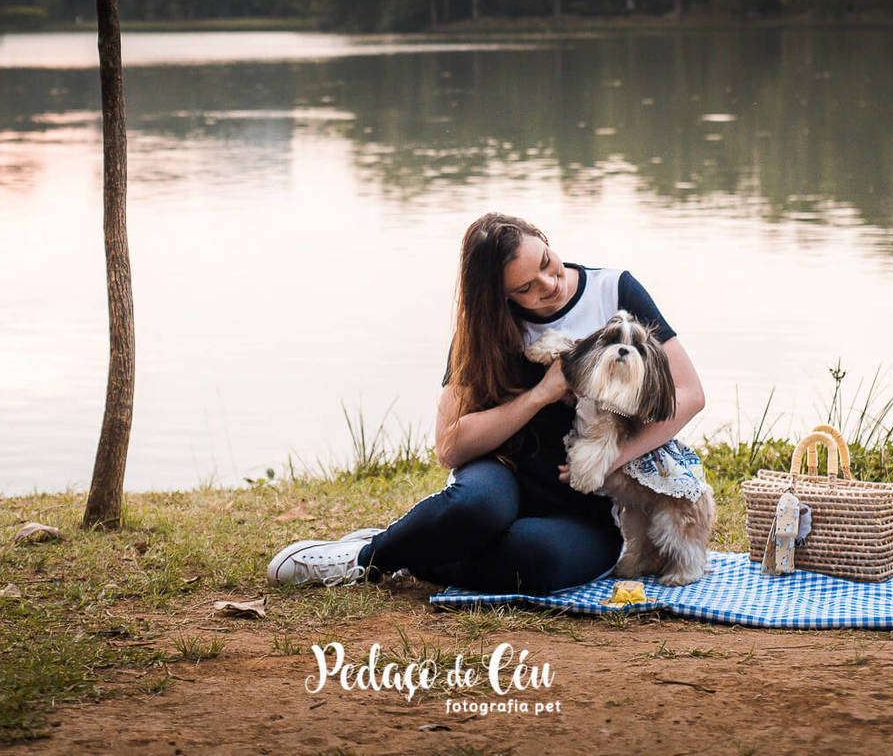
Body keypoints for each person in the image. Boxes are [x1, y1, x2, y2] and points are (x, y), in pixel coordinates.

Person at [267, 211, 706, 592]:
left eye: (546, 262)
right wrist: (540, 394)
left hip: (589, 505)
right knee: (475, 508)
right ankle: (365, 558)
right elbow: (450, 447)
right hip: (504, 473)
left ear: (544, 238)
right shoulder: (487, 327)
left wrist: (610, 459)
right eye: (525, 288)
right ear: (501, 296)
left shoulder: (614, 290)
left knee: (537, 559)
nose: (549, 284)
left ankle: (419, 544)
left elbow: (689, 395)